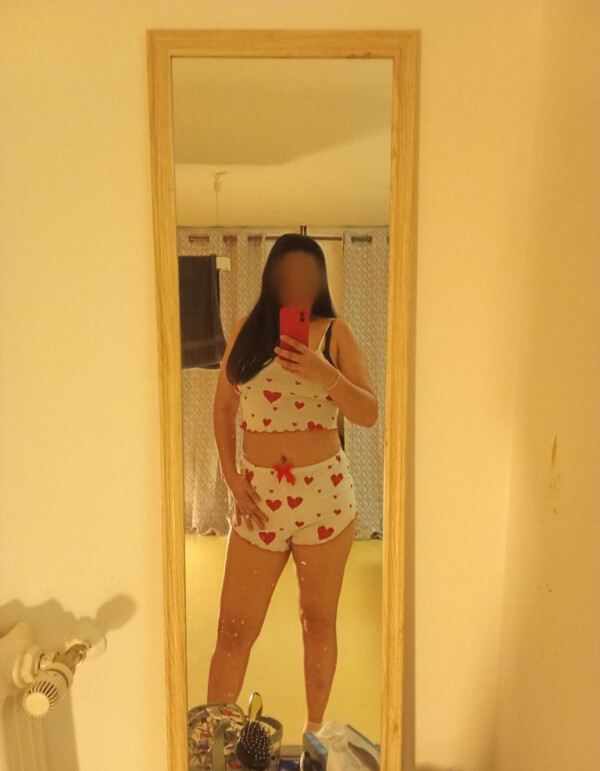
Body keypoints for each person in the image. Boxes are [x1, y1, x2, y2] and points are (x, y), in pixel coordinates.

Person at [209, 232, 378, 736]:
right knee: (233, 629)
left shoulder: (336, 333)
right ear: (272, 278)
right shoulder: (246, 331)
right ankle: (212, 740)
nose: (298, 284)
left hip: (324, 501)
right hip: (257, 501)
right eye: (288, 274)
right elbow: (224, 406)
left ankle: (314, 735)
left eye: (308, 275)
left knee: (317, 621)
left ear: (320, 280)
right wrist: (230, 474)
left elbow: (368, 412)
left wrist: (326, 374)